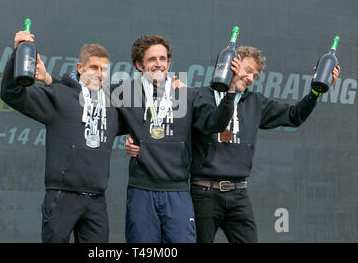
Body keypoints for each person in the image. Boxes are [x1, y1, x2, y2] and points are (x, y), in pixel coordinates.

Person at [127, 46, 340, 243]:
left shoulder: (256, 102)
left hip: (239, 193)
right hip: (203, 192)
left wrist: (315, 92)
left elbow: (294, 116)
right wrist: (134, 139)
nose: (249, 78)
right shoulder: (199, 96)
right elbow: (166, 125)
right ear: (231, 65)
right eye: (247, 70)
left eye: (254, 76)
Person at [0, 30, 126, 243]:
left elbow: (143, 122)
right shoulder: (59, 97)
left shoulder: (111, 106)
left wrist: (136, 142)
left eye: (104, 69)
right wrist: (18, 53)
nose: (99, 74)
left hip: (96, 201)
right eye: (93, 67)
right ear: (80, 68)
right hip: (62, 197)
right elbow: (11, 94)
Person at [114, 35, 241, 243]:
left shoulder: (187, 95)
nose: (158, 64)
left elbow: (215, 123)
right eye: (152, 59)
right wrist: (48, 79)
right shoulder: (125, 93)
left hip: (177, 191)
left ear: (169, 63)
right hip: (141, 190)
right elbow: (88, 96)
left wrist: (231, 90)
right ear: (138, 64)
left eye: (163, 59)